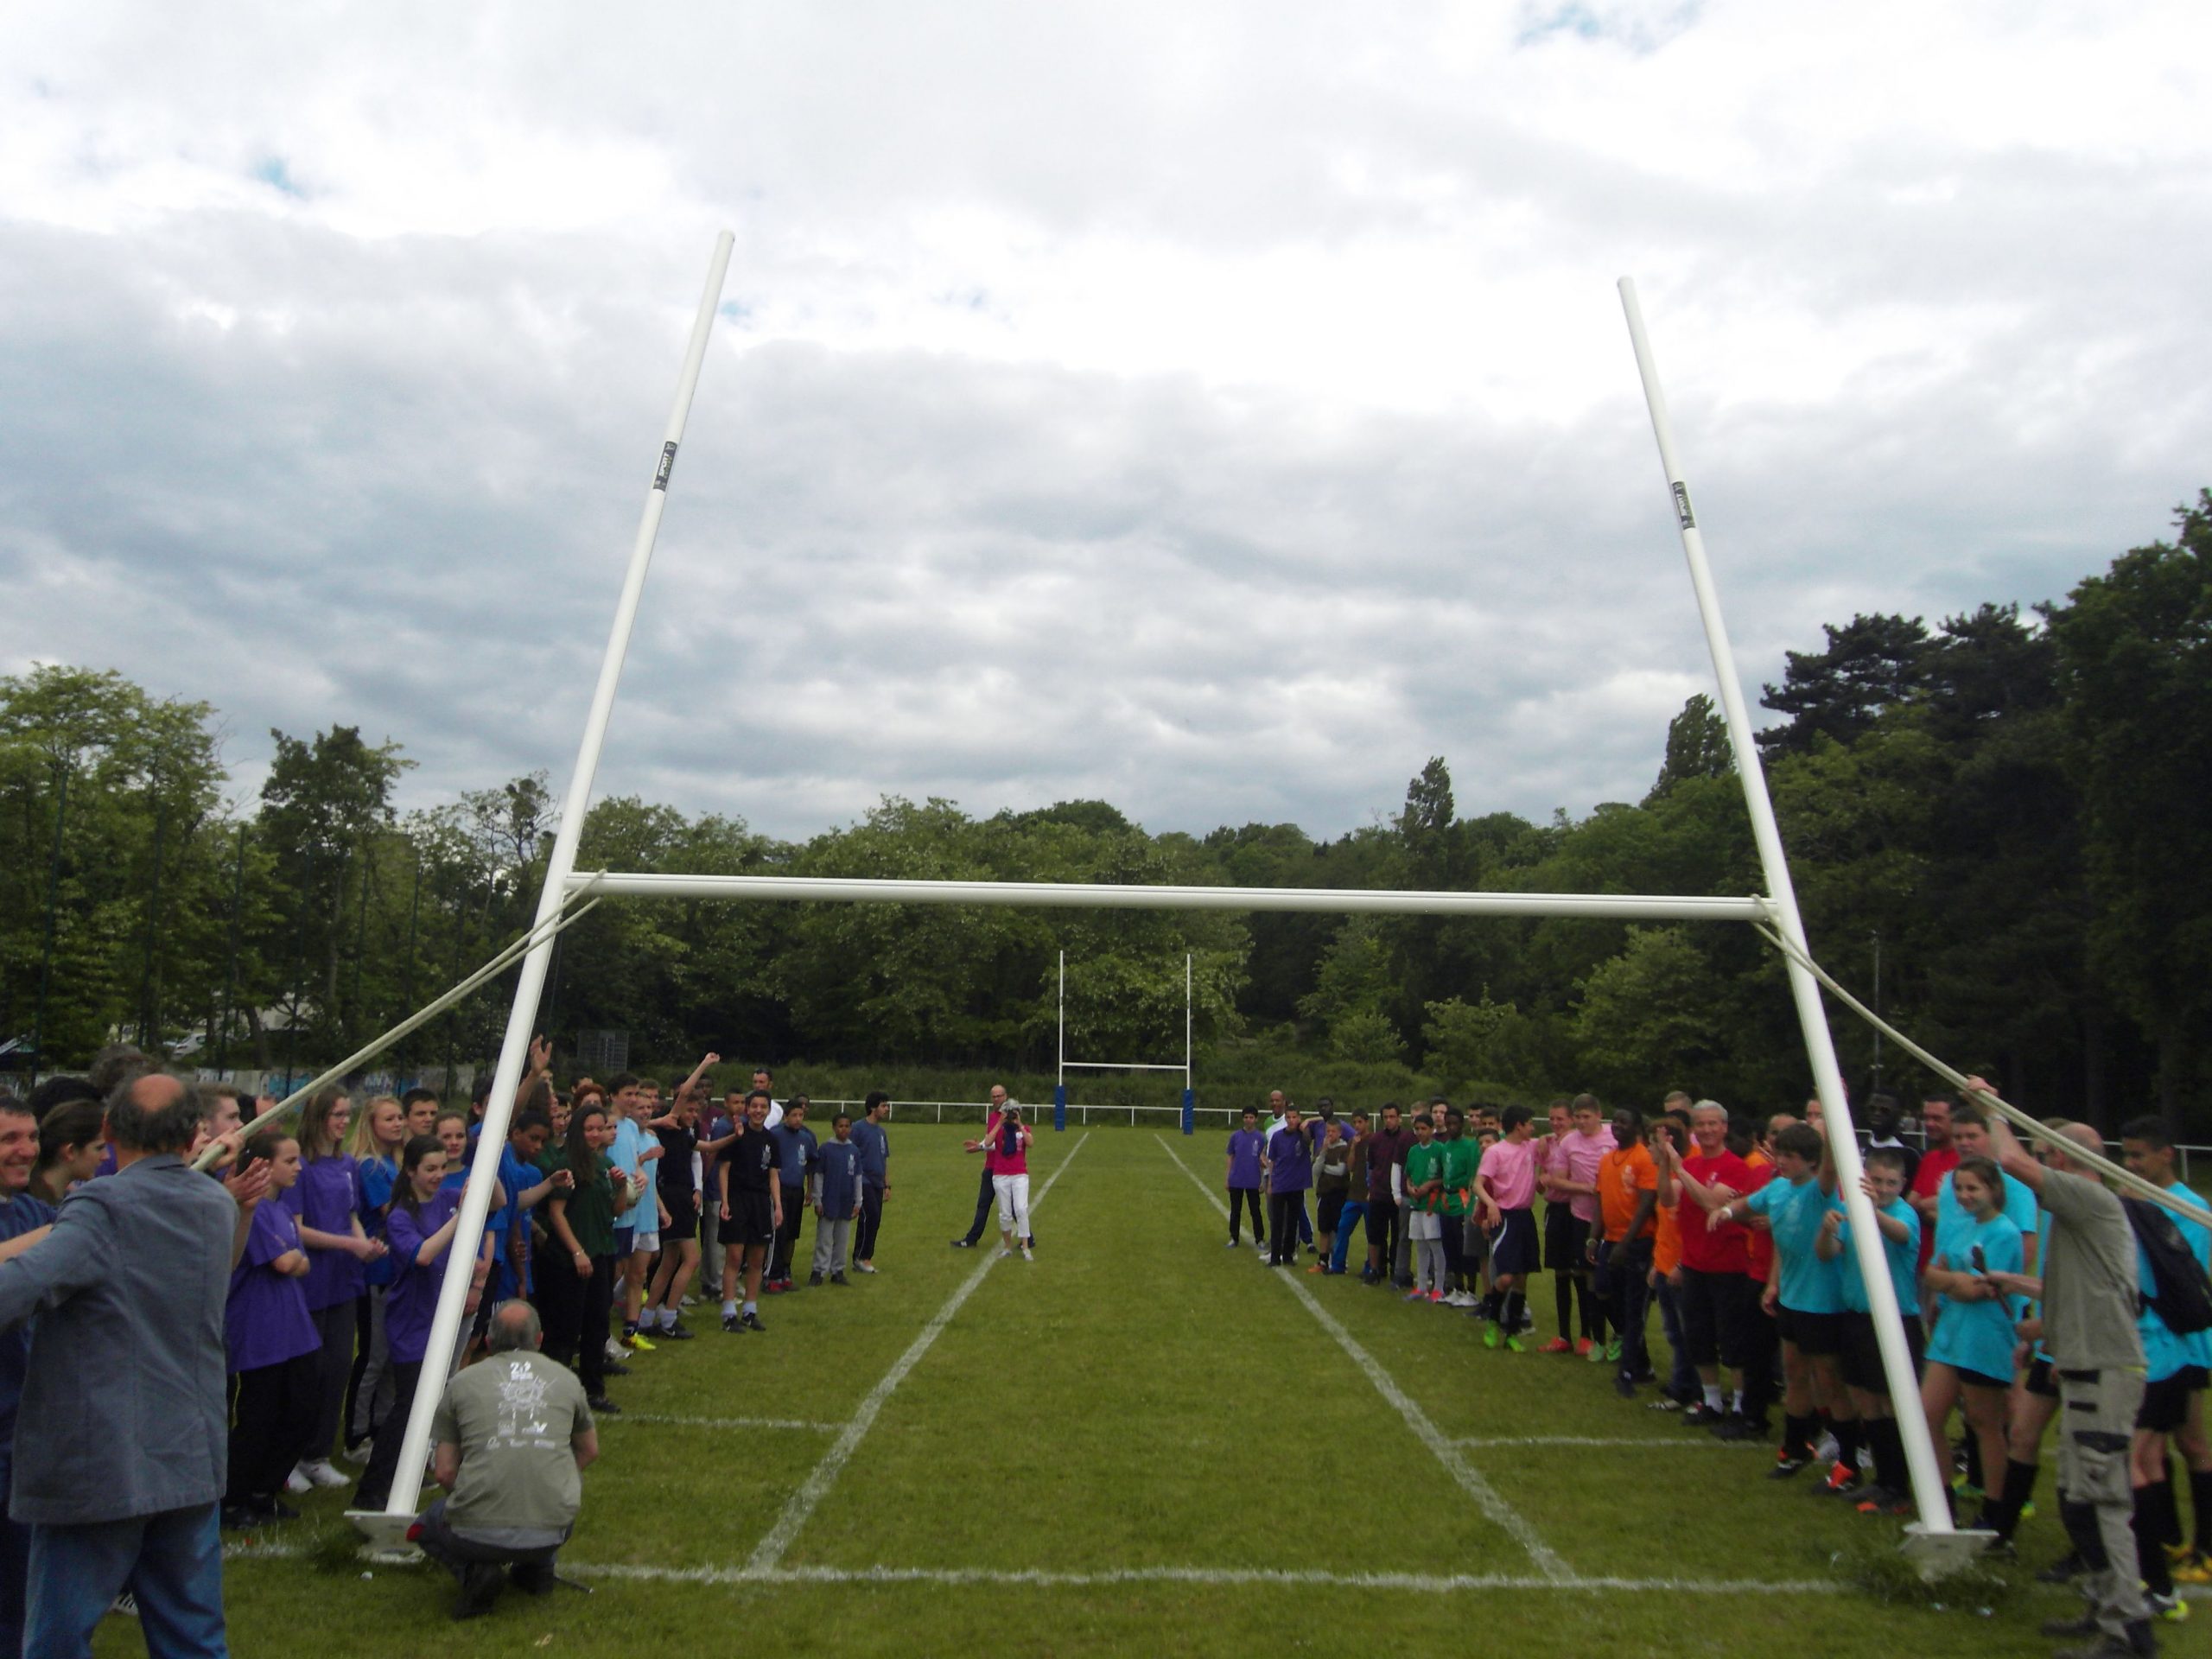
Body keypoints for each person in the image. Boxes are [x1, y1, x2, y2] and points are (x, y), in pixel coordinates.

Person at [0, 1071, 257, 1656]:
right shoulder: (214, 1203)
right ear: (193, 1133)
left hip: (103, 1464)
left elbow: (22, 1288)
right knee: (191, 1637)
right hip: (189, 1455)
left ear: (109, 1129)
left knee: (56, 1638)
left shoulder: (101, 1204)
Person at [1982, 1111, 2155, 1658]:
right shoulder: (2082, 1218)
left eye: (2049, 1153)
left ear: (2061, 1157)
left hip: (2106, 1374)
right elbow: (2079, 1290)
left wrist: (1990, 1106)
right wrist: (2034, 1312)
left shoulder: (2091, 1199)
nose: (2045, 1162)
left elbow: (2010, 1162)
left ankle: (2127, 1631)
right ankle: (2105, 1609)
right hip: (2085, 1369)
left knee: (2103, 1505)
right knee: (2079, 1502)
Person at [419, 1301, 598, 1621]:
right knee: (548, 1485)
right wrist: (558, 1478)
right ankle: (538, 1569)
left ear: (488, 1342)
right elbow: (589, 1450)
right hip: (553, 1527)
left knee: (425, 1523)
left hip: (476, 1531)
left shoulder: (461, 1383)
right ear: (539, 1339)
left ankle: (474, 1574)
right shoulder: (567, 1380)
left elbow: (444, 1471)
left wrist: (471, 1498)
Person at [356, 1132, 499, 1508]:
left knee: (432, 1404)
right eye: (430, 1169)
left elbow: (497, 1201)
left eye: (443, 1168)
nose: (438, 1175)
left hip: (440, 1319)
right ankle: (372, 1492)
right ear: (411, 1171)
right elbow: (421, 1255)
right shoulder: (403, 1213)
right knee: (409, 1408)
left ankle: (410, 1474)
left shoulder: (451, 1198)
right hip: (411, 1323)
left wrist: (487, 1164)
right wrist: (461, 1217)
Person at [2117, 1117, 2212, 1582]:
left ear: (2166, 1155)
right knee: (2154, 1446)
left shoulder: (2189, 1209)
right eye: (2127, 1155)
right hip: (2153, 1343)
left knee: (2193, 1444)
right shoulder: (2140, 1202)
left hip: (2186, 1343)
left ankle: (2207, 1548)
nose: (2131, 1164)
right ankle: (2170, 1537)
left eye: (2140, 1156)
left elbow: (2179, 1282)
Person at [1813, 1147, 1924, 1515]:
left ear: (1903, 1184)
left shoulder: (1902, 1212)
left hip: (1894, 1320)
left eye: (1891, 1182)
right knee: (1865, 1400)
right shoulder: (1850, 1210)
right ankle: (1882, 1480)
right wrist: (1828, 1230)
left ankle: (1900, 1485)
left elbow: (1901, 1234)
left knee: (1891, 1403)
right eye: (1875, 1180)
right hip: (1857, 1317)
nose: (1882, 1187)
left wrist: (1872, 1209)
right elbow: (1827, 1254)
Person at [283, 1088, 382, 1493]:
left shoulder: (346, 1164)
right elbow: (297, 1227)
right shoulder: (301, 1167)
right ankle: (290, 1453)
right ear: (319, 1118)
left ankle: (318, 1453)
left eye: (347, 1113)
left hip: (343, 1279)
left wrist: (364, 1244)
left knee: (339, 1365)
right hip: (311, 1279)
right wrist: (350, 1244)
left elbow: (351, 1214)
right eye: (336, 1114)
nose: (343, 1121)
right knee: (307, 1370)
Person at [222, 1132, 320, 1529]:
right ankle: (235, 1498)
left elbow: (300, 1261)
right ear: (263, 1166)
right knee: (258, 1417)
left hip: (295, 1329)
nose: (298, 1167)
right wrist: (294, 1260)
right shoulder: (255, 1211)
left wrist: (295, 1260)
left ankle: (265, 1489)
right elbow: (285, 1263)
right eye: (290, 1160)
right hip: (260, 1331)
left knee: (301, 1411)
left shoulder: (280, 1211)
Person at [1661, 1100, 1760, 1435]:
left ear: (1724, 1127)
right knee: (1699, 1336)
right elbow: (1668, 1199)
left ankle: (1742, 1405)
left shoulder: (1735, 1166)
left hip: (1728, 1266)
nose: (1706, 1130)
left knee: (1732, 1340)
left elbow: (1711, 1203)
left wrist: (1681, 1170)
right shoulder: (1690, 1163)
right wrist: (1665, 1165)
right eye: (1700, 1125)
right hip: (1695, 1264)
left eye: (1712, 1124)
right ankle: (1712, 1400)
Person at [0, 1095, 55, 1654]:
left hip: (24, 1431)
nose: (26, 1150)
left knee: (21, 1584)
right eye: (8, 1140)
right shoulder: (44, 1224)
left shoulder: (35, 1211)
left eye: (31, 1136)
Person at [541, 1105, 626, 1407]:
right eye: (588, 1129)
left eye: (599, 1128)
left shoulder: (604, 1163)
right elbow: (556, 1213)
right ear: (578, 1130)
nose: (594, 1134)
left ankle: (593, 1391)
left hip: (602, 1251)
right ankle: (554, 1393)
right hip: (571, 1259)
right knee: (565, 1329)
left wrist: (622, 1186)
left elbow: (615, 1211)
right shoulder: (567, 1163)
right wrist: (577, 1251)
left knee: (597, 1324)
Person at [1592, 1108, 1658, 1398]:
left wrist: (1626, 1242)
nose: (1618, 1126)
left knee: (1634, 1307)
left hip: (1637, 1243)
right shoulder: (1607, 1159)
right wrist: (1593, 1238)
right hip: (1610, 1240)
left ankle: (1628, 1372)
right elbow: (1600, 1200)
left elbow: (1646, 1204)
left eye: (1625, 1121)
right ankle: (1641, 1361)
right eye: (1615, 1121)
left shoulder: (1643, 1157)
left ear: (1637, 1127)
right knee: (1603, 1292)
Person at [1477, 1105, 1541, 1352]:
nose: (1533, 1128)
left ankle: (1513, 1332)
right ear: (1519, 1126)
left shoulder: (1530, 1147)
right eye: (1530, 1124)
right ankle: (1494, 1322)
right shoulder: (1496, 1152)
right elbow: (1478, 1183)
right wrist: (1491, 1204)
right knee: (1505, 1276)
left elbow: (1554, 1140)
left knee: (1521, 1278)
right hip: (1504, 1218)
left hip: (1525, 1218)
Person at [716, 1090, 780, 1332]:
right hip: (738, 1199)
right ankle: (729, 1312)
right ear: (747, 1108)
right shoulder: (736, 1134)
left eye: (763, 1107)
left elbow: (773, 1174)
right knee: (734, 1257)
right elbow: (724, 1170)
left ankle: (750, 1311)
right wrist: (725, 1201)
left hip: (761, 1203)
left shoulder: (771, 1140)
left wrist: (778, 1206)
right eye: (754, 1106)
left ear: (768, 1109)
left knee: (756, 1259)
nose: (758, 1111)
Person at [640, 1087, 702, 1336]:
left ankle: (646, 1318)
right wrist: (706, 1064)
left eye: (697, 1111)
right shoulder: (667, 1129)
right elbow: (685, 1092)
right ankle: (668, 1318)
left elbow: (704, 1148)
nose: (693, 1114)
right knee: (691, 1259)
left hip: (678, 1197)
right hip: (674, 1198)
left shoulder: (685, 1134)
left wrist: (734, 1138)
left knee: (669, 1261)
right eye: (689, 1109)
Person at [953, 1085, 1013, 1249]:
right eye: (993, 1096)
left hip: (1004, 1169)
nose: (996, 1099)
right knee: (983, 1205)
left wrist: (979, 1146)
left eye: (999, 1096)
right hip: (990, 1167)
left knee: (1014, 1208)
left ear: (1006, 1096)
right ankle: (972, 1239)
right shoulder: (993, 1116)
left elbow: (1004, 1145)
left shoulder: (1011, 1118)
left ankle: (1028, 1239)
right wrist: (980, 1145)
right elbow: (991, 1141)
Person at [767, 1098, 817, 1292]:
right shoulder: (775, 1135)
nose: (797, 1119)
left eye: (801, 1115)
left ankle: (785, 1271)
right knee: (778, 1232)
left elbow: (811, 1164)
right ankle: (772, 1275)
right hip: (780, 1189)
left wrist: (810, 1189)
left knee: (791, 1234)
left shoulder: (806, 1137)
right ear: (785, 1116)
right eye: (794, 1115)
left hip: (797, 1189)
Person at [810, 1114, 864, 1285]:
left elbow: (857, 1177)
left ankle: (838, 1270)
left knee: (842, 1238)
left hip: (846, 1200)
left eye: (847, 1126)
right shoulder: (826, 1149)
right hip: (829, 1199)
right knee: (824, 1238)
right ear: (834, 1127)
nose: (844, 1129)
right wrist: (818, 1199)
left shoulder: (853, 1151)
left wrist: (858, 1201)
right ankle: (819, 1271)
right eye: (840, 1126)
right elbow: (819, 1175)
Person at [1399, 1112, 1446, 1302]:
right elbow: (1408, 1174)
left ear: (1432, 1129)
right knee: (1420, 1245)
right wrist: (1410, 1187)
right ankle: (1421, 1286)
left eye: (1423, 1128)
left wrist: (1429, 1185)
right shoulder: (1413, 1151)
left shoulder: (1440, 1149)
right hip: (1416, 1204)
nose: (1419, 1132)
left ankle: (1439, 1287)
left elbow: (1445, 1176)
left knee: (1435, 1245)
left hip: (1432, 1205)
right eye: (1417, 1129)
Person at [1363, 1103, 1409, 1287]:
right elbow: (1372, 1166)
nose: (1389, 1121)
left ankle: (1397, 1271)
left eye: (1392, 1117)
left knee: (1399, 1236)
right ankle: (1375, 1269)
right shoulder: (1376, 1140)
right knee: (1376, 1235)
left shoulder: (1406, 1139)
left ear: (1399, 1117)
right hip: (1379, 1193)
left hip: (1399, 1195)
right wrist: (1371, 1188)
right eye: (1386, 1117)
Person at [29, 1096, 104, 1207]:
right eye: (99, 1148)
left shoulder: (66, 1199)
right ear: (70, 1151)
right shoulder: (32, 1209)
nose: (106, 1156)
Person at [1264, 1107, 1312, 1269]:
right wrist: (1271, 1183)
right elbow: (1272, 1161)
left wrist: (1306, 1123)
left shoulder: (1304, 1135)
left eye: (1295, 1117)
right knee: (1277, 1222)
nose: (1292, 1120)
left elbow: (1323, 1121)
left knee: (1293, 1222)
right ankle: (1275, 1257)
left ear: (1299, 1118)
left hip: (1297, 1185)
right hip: (1280, 1184)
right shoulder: (1278, 1137)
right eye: (1289, 1117)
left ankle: (1288, 1255)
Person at [850, 1092, 892, 1273]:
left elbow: (883, 1159)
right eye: (883, 1105)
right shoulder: (858, 1128)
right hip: (862, 1180)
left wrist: (887, 1184)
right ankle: (861, 1257)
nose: (887, 1109)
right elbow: (850, 1154)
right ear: (873, 1107)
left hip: (876, 1182)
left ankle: (865, 1257)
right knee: (870, 1216)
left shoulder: (881, 1132)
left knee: (875, 1219)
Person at [1328, 1110, 1373, 1276]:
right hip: (1354, 1193)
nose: (1357, 1126)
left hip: (1369, 1194)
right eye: (1355, 1122)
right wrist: (1353, 1146)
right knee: (1343, 1228)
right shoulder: (1353, 1142)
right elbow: (1350, 1166)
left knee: (1371, 1233)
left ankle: (1370, 1267)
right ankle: (1338, 1265)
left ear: (1367, 1122)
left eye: (1360, 1122)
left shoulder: (1373, 1140)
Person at [990, 1106, 1033, 1262]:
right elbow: (988, 1141)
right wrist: (999, 1123)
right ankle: (1007, 1246)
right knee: (1005, 1213)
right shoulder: (999, 1129)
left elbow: (1031, 1142)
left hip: (1019, 1174)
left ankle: (1026, 1247)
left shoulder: (1023, 1129)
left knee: (1021, 1209)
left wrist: (1020, 1124)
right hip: (1001, 1175)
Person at [1312, 1116, 1349, 1274]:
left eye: (1333, 1131)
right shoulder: (1324, 1149)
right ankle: (1323, 1260)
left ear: (1340, 1133)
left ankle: (1339, 1260)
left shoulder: (1344, 1148)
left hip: (1339, 1193)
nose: (1330, 1134)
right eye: (1328, 1131)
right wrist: (1323, 1152)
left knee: (1337, 1227)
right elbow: (1315, 1171)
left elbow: (1340, 1171)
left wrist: (1324, 1167)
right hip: (1324, 1193)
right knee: (1324, 1228)